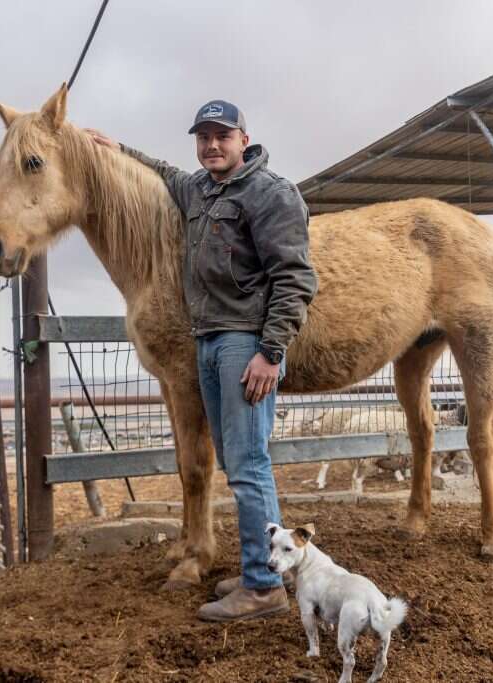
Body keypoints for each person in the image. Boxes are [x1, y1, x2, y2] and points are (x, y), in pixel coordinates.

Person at [90, 100, 317, 622]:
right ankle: (260, 568)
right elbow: (165, 173)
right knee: (238, 462)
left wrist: (270, 352)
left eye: (222, 135)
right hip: (209, 339)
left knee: (248, 465)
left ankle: (263, 587)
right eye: (203, 137)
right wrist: (117, 149)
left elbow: (295, 279)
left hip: (245, 343)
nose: (212, 144)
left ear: (244, 138)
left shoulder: (269, 192)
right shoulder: (201, 187)